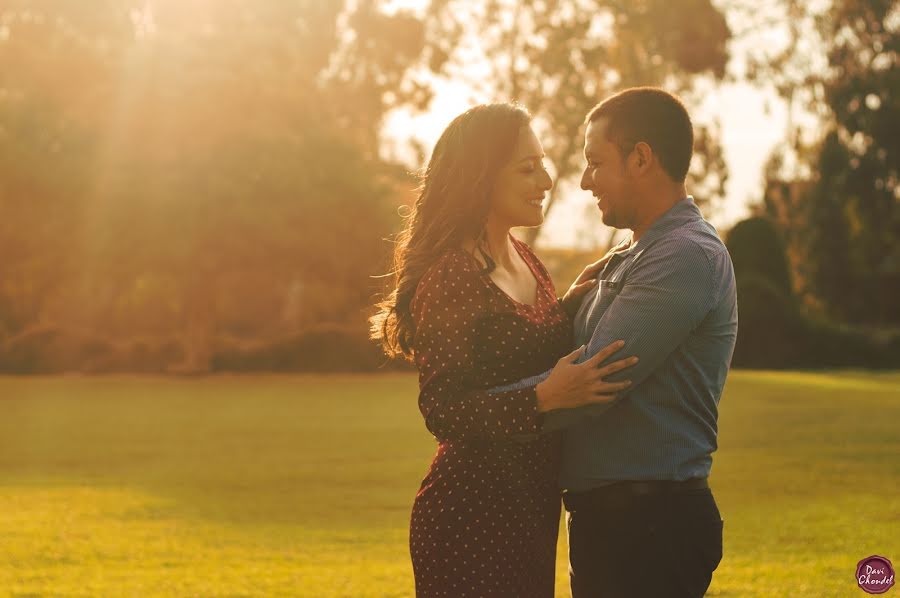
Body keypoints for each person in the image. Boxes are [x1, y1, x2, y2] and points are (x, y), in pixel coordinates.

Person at [370, 103, 638, 598]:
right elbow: (442, 409)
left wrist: (577, 300)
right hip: (469, 514)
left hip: (530, 509)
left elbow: (530, 344)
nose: (546, 178)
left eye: (542, 163)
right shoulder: (453, 276)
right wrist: (542, 398)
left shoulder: (528, 259)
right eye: (526, 167)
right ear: (481, 177)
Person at [499, 87, 738, 598]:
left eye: (595, 163)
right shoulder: (633, 254)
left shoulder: (684, 256)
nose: (585, 182)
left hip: (651, 527)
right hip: (616, 523)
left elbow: (591, 380)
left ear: (641, 158)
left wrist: (481, 410)